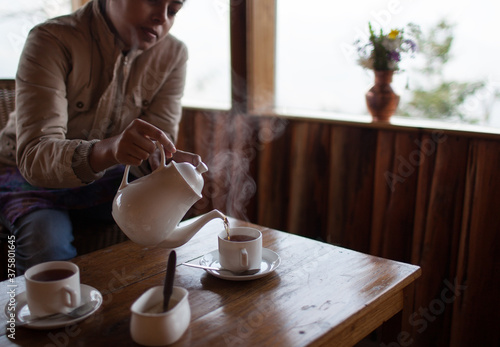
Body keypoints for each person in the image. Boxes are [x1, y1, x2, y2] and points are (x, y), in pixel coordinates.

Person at [0, 0, 199, 274]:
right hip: (27, 181)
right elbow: (35, 157)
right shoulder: (52, 39)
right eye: (153, 1)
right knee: (48, 250)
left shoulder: (172, 54)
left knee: (164, 220)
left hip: (107, 178)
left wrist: (163, 162)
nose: (161, 18)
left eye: (173, 10)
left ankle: (144, 313)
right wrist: (110, 150)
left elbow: (156, 143)